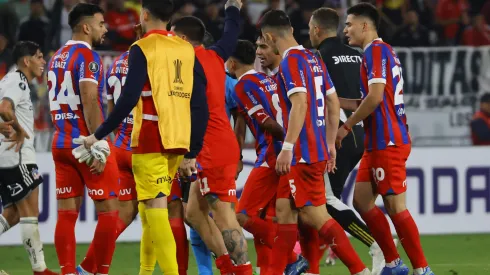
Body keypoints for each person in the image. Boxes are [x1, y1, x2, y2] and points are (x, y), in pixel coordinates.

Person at [83, 0, 209, 274]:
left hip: (151, 138)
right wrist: (193, 150)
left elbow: (128, 98)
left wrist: (99, 134)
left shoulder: (141, 48)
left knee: (156, 211)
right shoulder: (186, 48)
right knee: (150, 212)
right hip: (178, 140)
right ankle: (144, 271)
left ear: (145, 14)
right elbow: (200, 102)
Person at [259, 10, 369, 275]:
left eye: (264, 41)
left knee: (316, 215)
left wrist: (287, 147)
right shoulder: (313, 57)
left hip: (302, 152)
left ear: (269, 36)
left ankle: (360, 270)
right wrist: (330, 143)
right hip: (317, 149)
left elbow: (300, 104)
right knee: (286, 210)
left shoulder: (291, 61)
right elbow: (332, 102)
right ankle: (290, 268)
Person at [338, 3, 433, 275]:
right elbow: (368, 99)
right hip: (378, 140)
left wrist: (347, 127)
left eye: (349, 24)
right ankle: (393, 263)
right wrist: (330, 101)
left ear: (365, 26)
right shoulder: (377, 53)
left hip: (388, 140)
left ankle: (422, 269)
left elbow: (376, 98)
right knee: (362, 201)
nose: (346, 30)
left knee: (394, 206)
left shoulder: (376, 51)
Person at [170, 2, 254, 274]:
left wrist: (190, 154)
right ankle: (229, 268)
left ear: (183, 39)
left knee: (224, 217)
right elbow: (231, 31)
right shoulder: (215, 55)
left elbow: (198, 110)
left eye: (171, 36)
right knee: (193, 213)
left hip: (211, 149)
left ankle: (242, 271)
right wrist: (232, 8)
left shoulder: (189, 65)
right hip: (218, 145)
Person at [309, 7, 386, 274]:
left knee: (324, 203)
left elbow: (321, 101)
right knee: (326, 205)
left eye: (309, 29)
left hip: (337, 134)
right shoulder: (356, 56)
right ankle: (313, 265)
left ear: (317, 30)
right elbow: (366, 96)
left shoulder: (317, 57)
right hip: (360, 132)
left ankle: (378, 245)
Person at [47, 3, 120, 275]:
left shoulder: (56, 57)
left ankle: (67, 271)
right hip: (86, 143)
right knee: (111, 213)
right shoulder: (88, 57)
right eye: (101, 24)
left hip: (61, 143)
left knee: (66, 214)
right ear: (87, 27)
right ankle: (98, 272)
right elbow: (89, 99)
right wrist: (99, 142)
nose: (106, 28)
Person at [227, 40, 309, 275]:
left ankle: (293, 257)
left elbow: (267, 122)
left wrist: (287, 141)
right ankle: (274, 268)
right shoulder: (267, 79)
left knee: (241, 217)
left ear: (232, 63)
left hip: (272, 156)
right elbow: (243, 122)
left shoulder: (241, 87)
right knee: (266, 217)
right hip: (282, 153)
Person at [0, 41, 57, 275]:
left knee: (13, 214)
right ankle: (40, 269)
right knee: (30, 212)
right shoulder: (17, 80)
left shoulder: (9, 80)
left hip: (9, 156)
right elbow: (4, 108)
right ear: (26, 61)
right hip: (18, 156)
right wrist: (20, 130)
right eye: (39, 56)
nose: (43, 61)